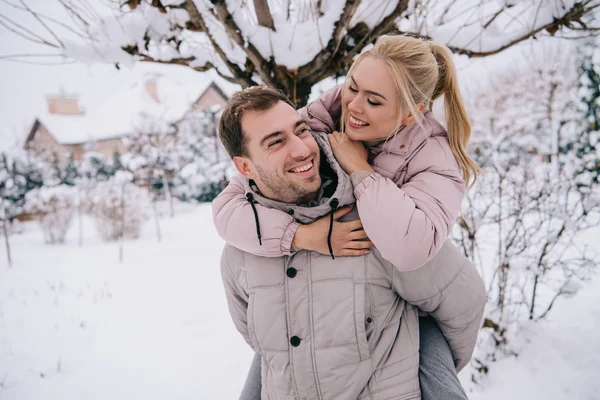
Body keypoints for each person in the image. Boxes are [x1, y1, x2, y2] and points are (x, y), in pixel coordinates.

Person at [214, 35, 483, 398]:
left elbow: (457, 295)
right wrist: (302, 236)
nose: (354, 106)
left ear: (411, 112)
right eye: (351, 88)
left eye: (373, 101)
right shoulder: (326, 121)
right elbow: (228, 210)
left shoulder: (420, 175)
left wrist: (426, 362)